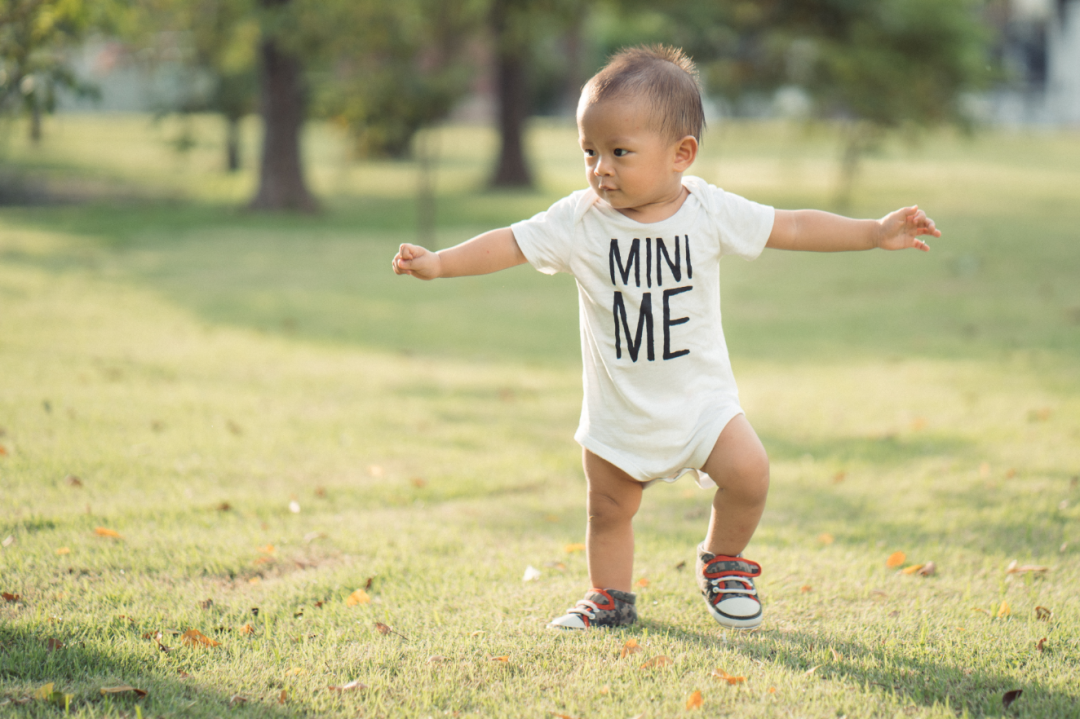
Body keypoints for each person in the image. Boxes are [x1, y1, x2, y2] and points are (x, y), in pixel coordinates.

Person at [392, 45, 939, 631]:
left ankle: (723, 561)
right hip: (619, 410)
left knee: (750, 473)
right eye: (589, 152)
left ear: (681, 154)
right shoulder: (578, 222)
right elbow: (509, 242)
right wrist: (441, 263)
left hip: (701, 402)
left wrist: (873, 233)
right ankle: (609, 597)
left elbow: (795, 225)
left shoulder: (708, 210)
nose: (601, 168)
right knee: (607, 508)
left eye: (619, 152)